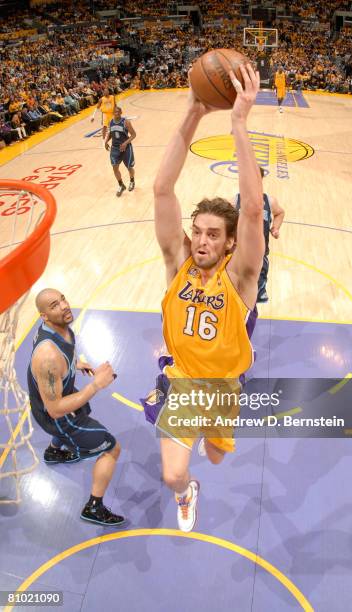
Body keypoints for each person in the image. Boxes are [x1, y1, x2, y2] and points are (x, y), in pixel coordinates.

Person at [142, 64, 264, 532]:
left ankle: (203, 462)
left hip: (222, 389)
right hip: (183, 381)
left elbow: (252, 210)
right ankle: (185, 491)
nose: (201, 240)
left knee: (215, 457)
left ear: (230, 243)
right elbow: (161, 189)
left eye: (213, 234)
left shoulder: (240, 279)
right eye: (197, 232)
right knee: (174, 471)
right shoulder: (178, 263)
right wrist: (194, 112)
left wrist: (238, 123)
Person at [27, 289, 124, 526]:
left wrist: (75, 364)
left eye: (63, 299)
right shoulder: (48, 357)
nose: (63, 306)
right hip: (54, 414)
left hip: (55, 398)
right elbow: (56, 410)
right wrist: (96, 385)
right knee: (112, 448)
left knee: (82, 408)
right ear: (44, 316)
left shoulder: (60, 329)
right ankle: (94, 507)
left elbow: (63, 357)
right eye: (54, 305)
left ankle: (53, 451)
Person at [234, 166, 285, 303]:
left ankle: (249, 320)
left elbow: (280, 213)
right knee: (235, 294)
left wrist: (275, 228)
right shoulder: (235, 201)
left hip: (260, 257)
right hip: (237, 256)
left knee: (255, 298)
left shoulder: (269, 201)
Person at [104, 106, 136, 197]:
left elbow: (133, 134)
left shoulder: (126, 122)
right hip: (115, 149)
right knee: (115, 168)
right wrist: (106, 142)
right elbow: (110, 134)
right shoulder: (111, 122)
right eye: (115, 112)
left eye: (118, 112)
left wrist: (125, 143)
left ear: (121, 112)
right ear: (113, 113)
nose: (116, 113)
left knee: (129, 167)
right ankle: (121, 185)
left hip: (126, 148)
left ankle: (132, 180)